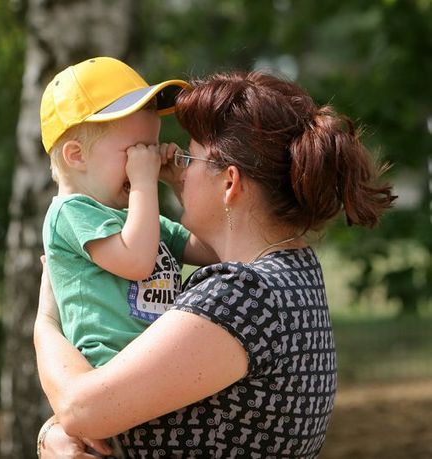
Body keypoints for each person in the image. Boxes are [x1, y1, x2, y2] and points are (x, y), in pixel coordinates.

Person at [34, 70, 396, 458]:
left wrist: (46, 322)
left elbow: (81, 409)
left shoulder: (242, 295)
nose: (169, 165)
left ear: (230, 183)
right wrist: (54, 434)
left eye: (189, 158)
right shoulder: (294, 272)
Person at [40, 56, 216, 373]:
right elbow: (136, 261)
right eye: (136, 149)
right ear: (77, 156)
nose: (148, 159)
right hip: (110, 369)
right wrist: (145, 182)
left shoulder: (138, 217)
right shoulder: (69, 213)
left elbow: (212, 250)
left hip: (155, 365)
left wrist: (180, 186)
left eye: (152, 146)